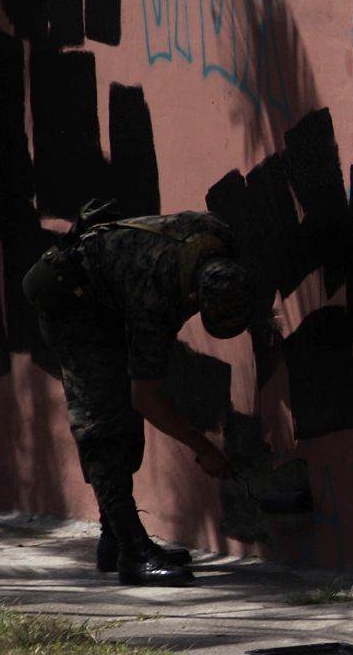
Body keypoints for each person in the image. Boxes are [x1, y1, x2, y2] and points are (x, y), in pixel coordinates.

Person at [30, 210, 257, 588]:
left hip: (110, 295)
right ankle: (133, 554)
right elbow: (146, 398)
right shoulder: (157, 295)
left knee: (121, 424)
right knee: (105, 428)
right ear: (192, 295)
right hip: (73, 307)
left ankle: (115, 539)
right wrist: (204, 448)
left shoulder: (221, 237)